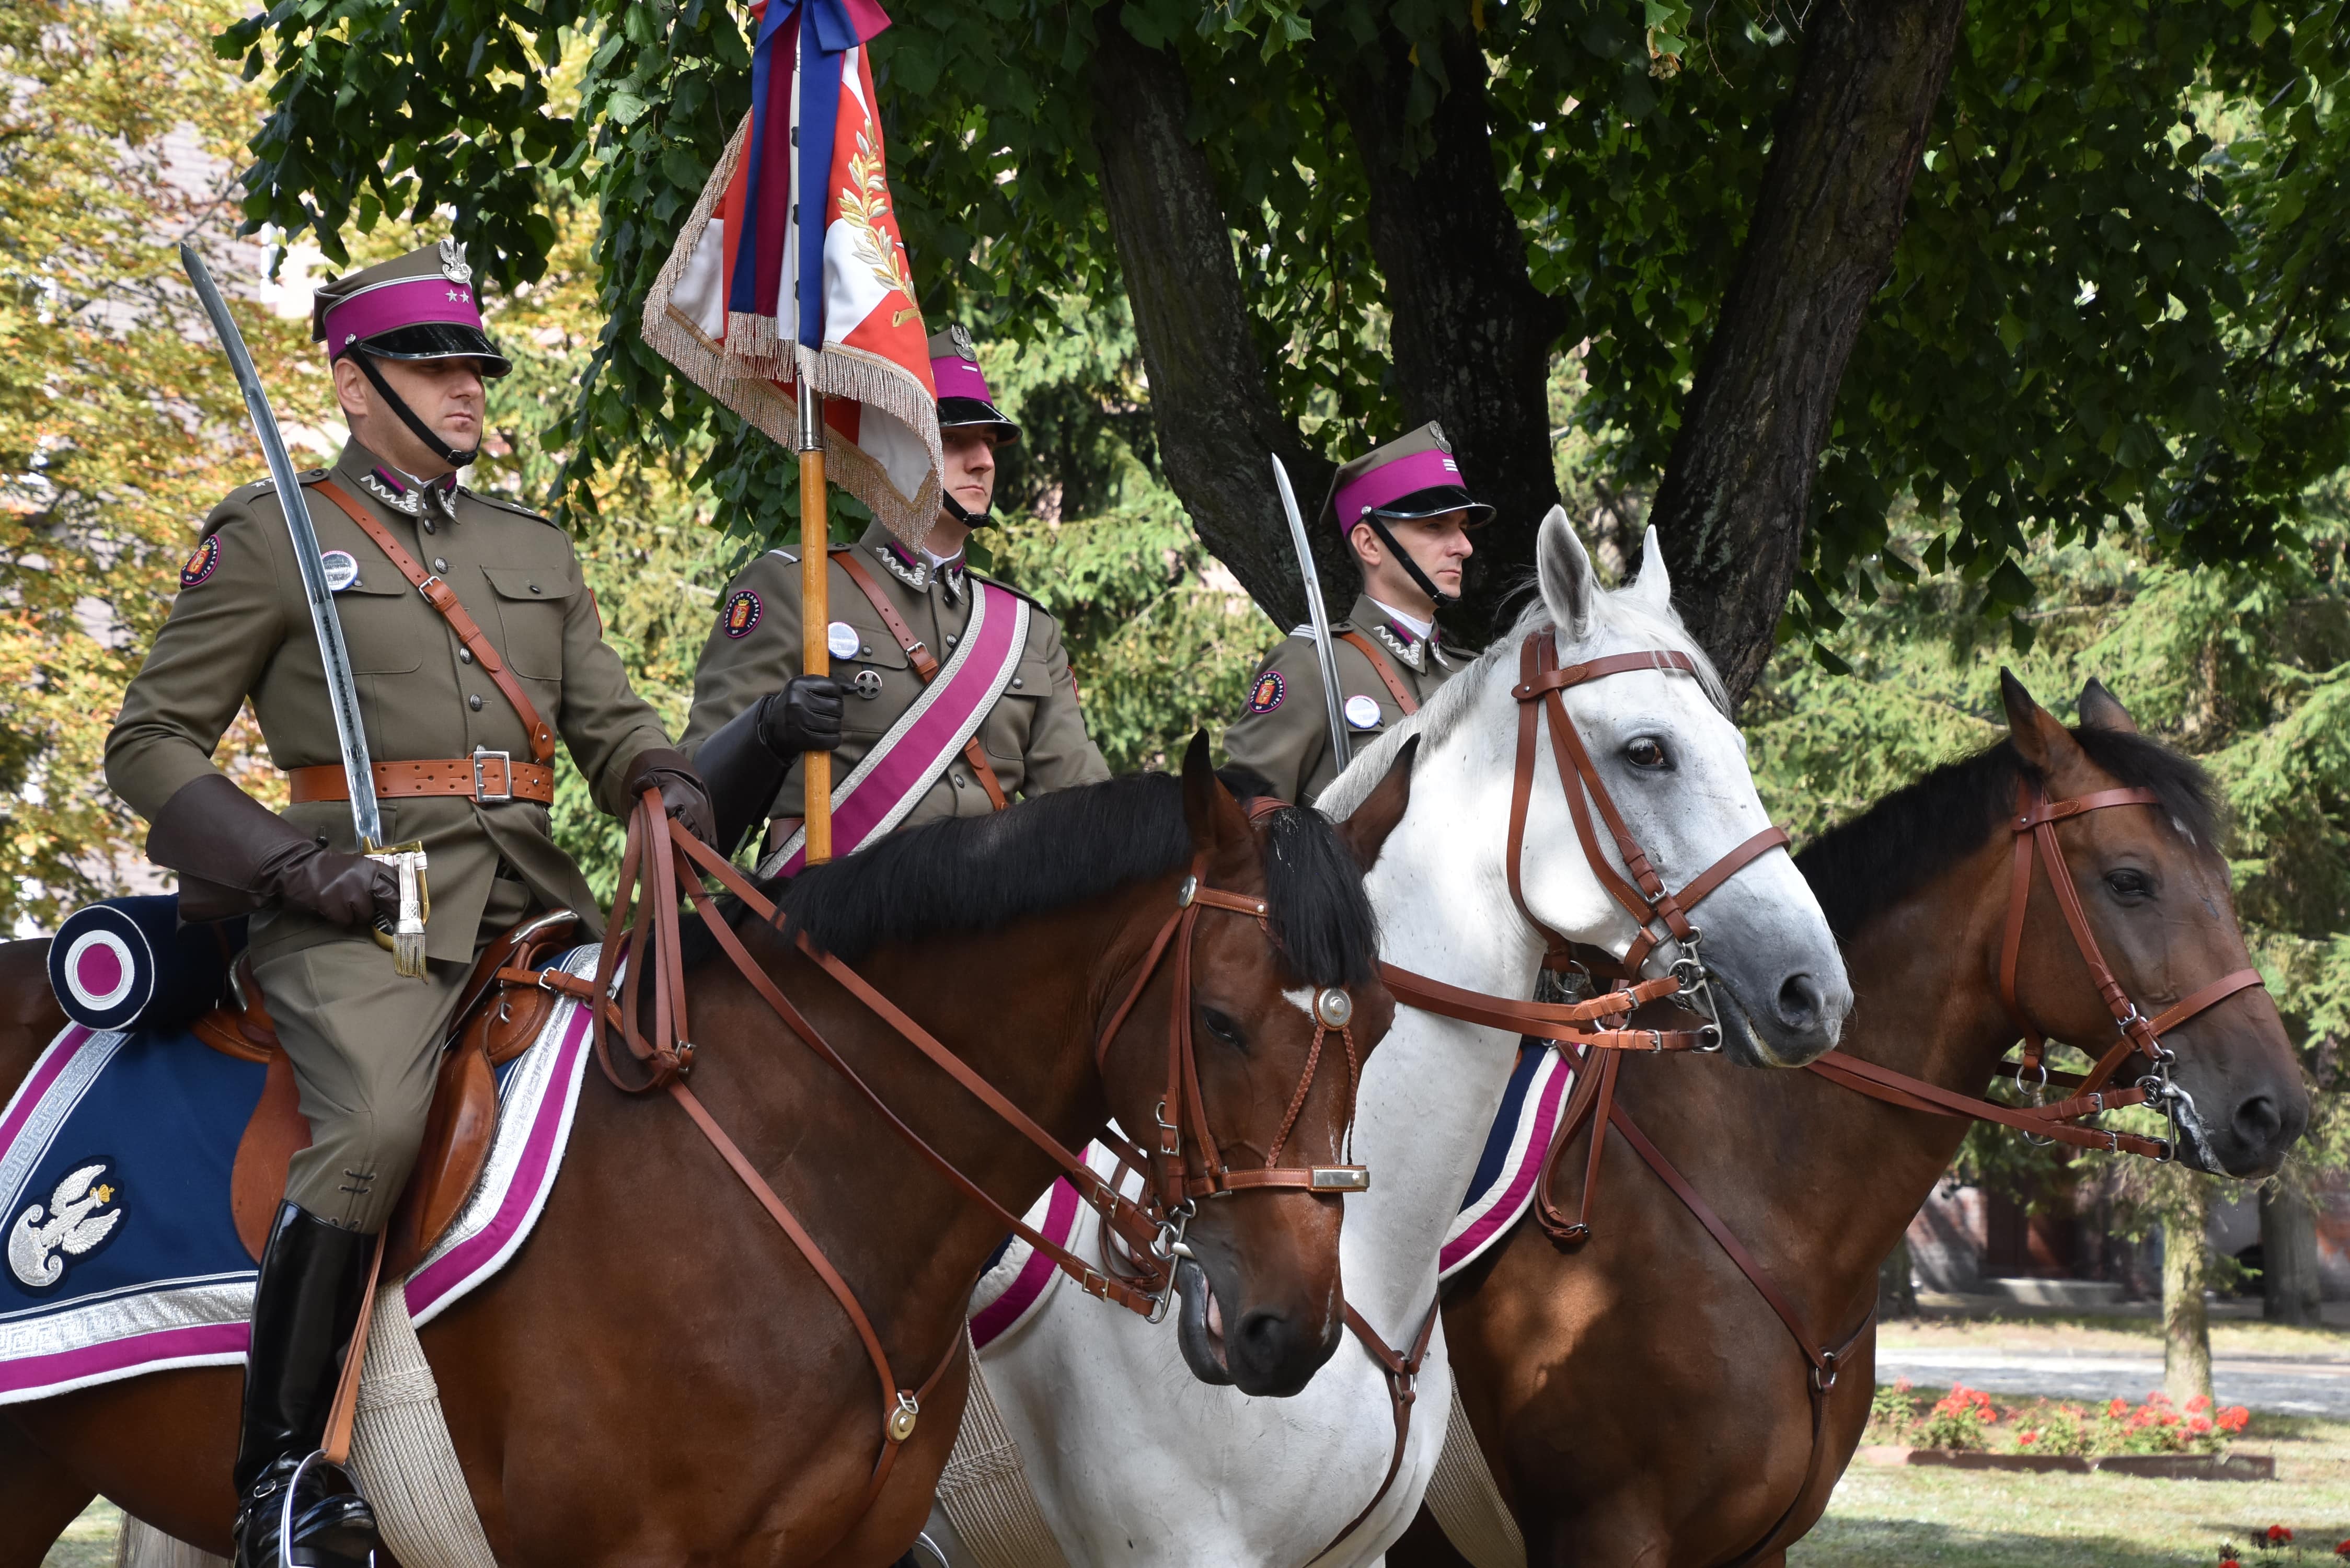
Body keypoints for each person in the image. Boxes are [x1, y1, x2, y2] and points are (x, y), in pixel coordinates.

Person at [103, 239, 713, 1568]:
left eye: (473, 366)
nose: (465, 388)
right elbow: (149, 744)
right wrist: (286, 865)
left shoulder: (531, 548)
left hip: (534, 896)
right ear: (353, 381)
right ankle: (281, 1476)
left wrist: (664, 784)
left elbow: (610, 725)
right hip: (355, 912)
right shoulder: (274, 532)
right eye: (434, 366)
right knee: (376, 1118)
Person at [683, 325, 1108, 863]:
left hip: (988, 925)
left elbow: (1083, 807)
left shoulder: (1027, 629)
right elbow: (695, 807)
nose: (983, 461)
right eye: (954, 440)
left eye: (989, 442)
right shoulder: (796, 586)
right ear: (895, 446)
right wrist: (765, 732)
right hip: (829, 921)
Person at [1223, 422, 1487, 804]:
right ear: (1369, 545)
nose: (1464, 547)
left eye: (1463, 528)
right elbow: (1243, 824)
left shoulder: (1474, 673)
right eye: (1435, 526)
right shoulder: (1313, 667)